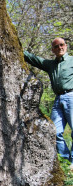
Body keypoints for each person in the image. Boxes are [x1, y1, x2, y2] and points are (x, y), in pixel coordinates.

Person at [24, 38, 73, 168]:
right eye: (56, 46)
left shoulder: (72, 61)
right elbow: (34, 59)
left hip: (71, 96)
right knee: (54, 132)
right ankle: (65, 160)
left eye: (61, 45)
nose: (59, 48)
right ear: (53, 50)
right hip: (58, 99)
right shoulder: (51, 64)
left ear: (66, 46)